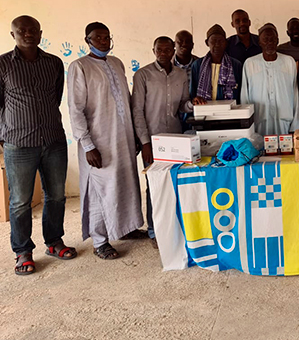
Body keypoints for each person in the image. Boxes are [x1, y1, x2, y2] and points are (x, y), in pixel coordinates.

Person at [0, 15, 76, 275]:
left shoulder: (53, 63)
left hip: (53, 139)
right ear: (13, 35)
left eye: (33, 30)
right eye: (22, 30)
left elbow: (55, 96)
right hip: (19, 144)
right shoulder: (2, 65)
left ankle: (54, 242)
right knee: (20, 202)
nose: (28, 34)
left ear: (40, 33)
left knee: (56, 196)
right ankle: (23, 252)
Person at [67, 22, 144, 260]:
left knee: (125, 183)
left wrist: (136, 136)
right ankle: (100, 241)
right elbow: (75, 109)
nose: (103, 41)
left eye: (107, 37)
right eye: (97, 37)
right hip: (99, 141)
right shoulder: (79, 66)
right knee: (100, 190)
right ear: (87, 39)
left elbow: (127, 102)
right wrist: (88, 145)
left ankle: (125, 228)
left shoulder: (117, 63)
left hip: (123, 138)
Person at [132, 36, 193, 247]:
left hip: (175, 137)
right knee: (154, 186)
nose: (164, 53)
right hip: (152, 140)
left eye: (168, 49)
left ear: (174, 50)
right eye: (160, 49)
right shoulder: (143, 75)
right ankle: (154, 231)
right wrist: (145, 142)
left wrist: (193, 104)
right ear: (153, 50)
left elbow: (183, 104)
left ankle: (175, 227)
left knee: (174, 183)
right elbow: (137, 111)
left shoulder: (180, 74)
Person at [241, 23, 299, 135]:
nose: (269, 43)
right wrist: (247, 125)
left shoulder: (289, 62)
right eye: (265, 40)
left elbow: (295, 94)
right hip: (259, 123)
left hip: (285, 121)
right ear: (259, 42)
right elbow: (245, 97)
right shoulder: (250, 64)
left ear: (277, 41)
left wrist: (295, 126)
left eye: (272, 39)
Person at [190, 24, 243, 104]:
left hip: (230, 112)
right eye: (213, 41)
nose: (217, 45)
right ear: (207, 43)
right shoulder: (197, 65)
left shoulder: (235, 65)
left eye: (220, 41)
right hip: (204, 111)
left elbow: (240, 93)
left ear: (226, 43)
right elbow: (192, 92)